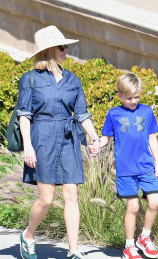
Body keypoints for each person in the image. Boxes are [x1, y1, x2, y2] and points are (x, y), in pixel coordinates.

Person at [17, 25, 100, 259]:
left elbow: (82, 114)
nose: (66, 50)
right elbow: (24, 115)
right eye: (62, 47)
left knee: (71, 195)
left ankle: (74, 250)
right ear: (50, 50)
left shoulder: (73, 80)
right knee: (46, 198)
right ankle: (28, 235)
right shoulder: (30, 79)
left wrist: (94, 138)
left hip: (68, 138)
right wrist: (28, 146)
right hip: (41, 137)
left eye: (66, 46)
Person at [95, 72, 158, 259]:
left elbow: (151, 137)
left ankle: (144, 237)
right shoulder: (113, 114)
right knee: (133, 208)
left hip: (146, 167)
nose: (133, 101)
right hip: (125, 170)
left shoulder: (147, 111)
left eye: (137, 97)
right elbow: (106, 138)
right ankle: (129, 246)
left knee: (155, 203)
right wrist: (97, 144)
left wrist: (157, 161)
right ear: (120, 95)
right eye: (129, 98)